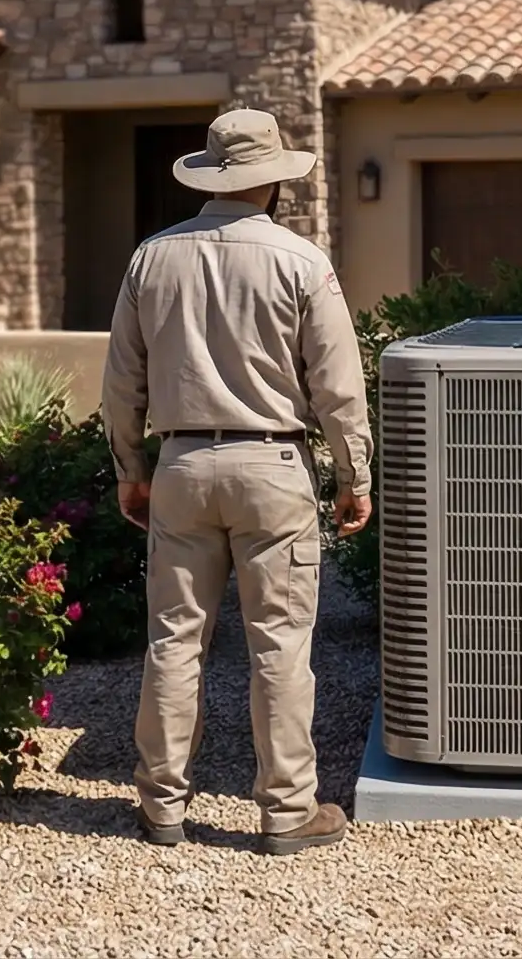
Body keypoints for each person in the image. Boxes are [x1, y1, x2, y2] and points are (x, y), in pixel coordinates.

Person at [101, 106, 373, 854]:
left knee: (172, 641)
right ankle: (287, 812)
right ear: (275, 183)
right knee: (280, 646)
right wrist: (356, 475)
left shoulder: (150, 258)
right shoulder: (301, 261)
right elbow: (339, 388)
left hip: (181, 464)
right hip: (273, 466)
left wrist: (132, 468)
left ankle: (160, 805)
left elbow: (121, 381)